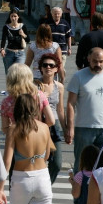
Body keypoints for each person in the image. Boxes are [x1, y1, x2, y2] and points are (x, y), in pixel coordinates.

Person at [65, 48, 103, 171]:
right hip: (84, 128)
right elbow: (70, 103)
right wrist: (70, 128)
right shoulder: (78, 76)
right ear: (88, 59)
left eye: (101, 61)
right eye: (95, 61)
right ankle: (80, 189)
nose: (98, 65)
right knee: (81, 163)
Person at [0, 64, 54, 138]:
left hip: (18, 139)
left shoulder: (7, 102)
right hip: (38, 137)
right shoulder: (40, 95)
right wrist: (40, 129)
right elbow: (51, 120)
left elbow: (5, 127)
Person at [35, 52, 66, 183]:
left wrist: (66, 130)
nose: (48, 67)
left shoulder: (59, 87)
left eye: (51, 65)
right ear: (41, 68)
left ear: (56, 69)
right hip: (38, 125)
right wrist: (43, 97)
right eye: (45, 65)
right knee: (37, 161)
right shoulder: (34, 85)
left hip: (55, 125)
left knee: (57, 163)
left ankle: (46, 185)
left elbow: (60, 109)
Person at [75, 13, 103, 89]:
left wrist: (81, 73)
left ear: (91, 23)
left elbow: (79, 59)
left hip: (88, 74)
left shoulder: (85, 38)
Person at [47, 7, 72, 81]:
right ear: (52, 14)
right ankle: (54, 83)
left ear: (61, 14)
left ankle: (61, 80)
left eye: (58, 14)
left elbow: (69, 36)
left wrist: (69, 48)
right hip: (51, 50)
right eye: (55, 14)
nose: (57, 15)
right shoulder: (47, 23)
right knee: (53, 68)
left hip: (62, 50)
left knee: (60, 67)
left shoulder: (65, 24)